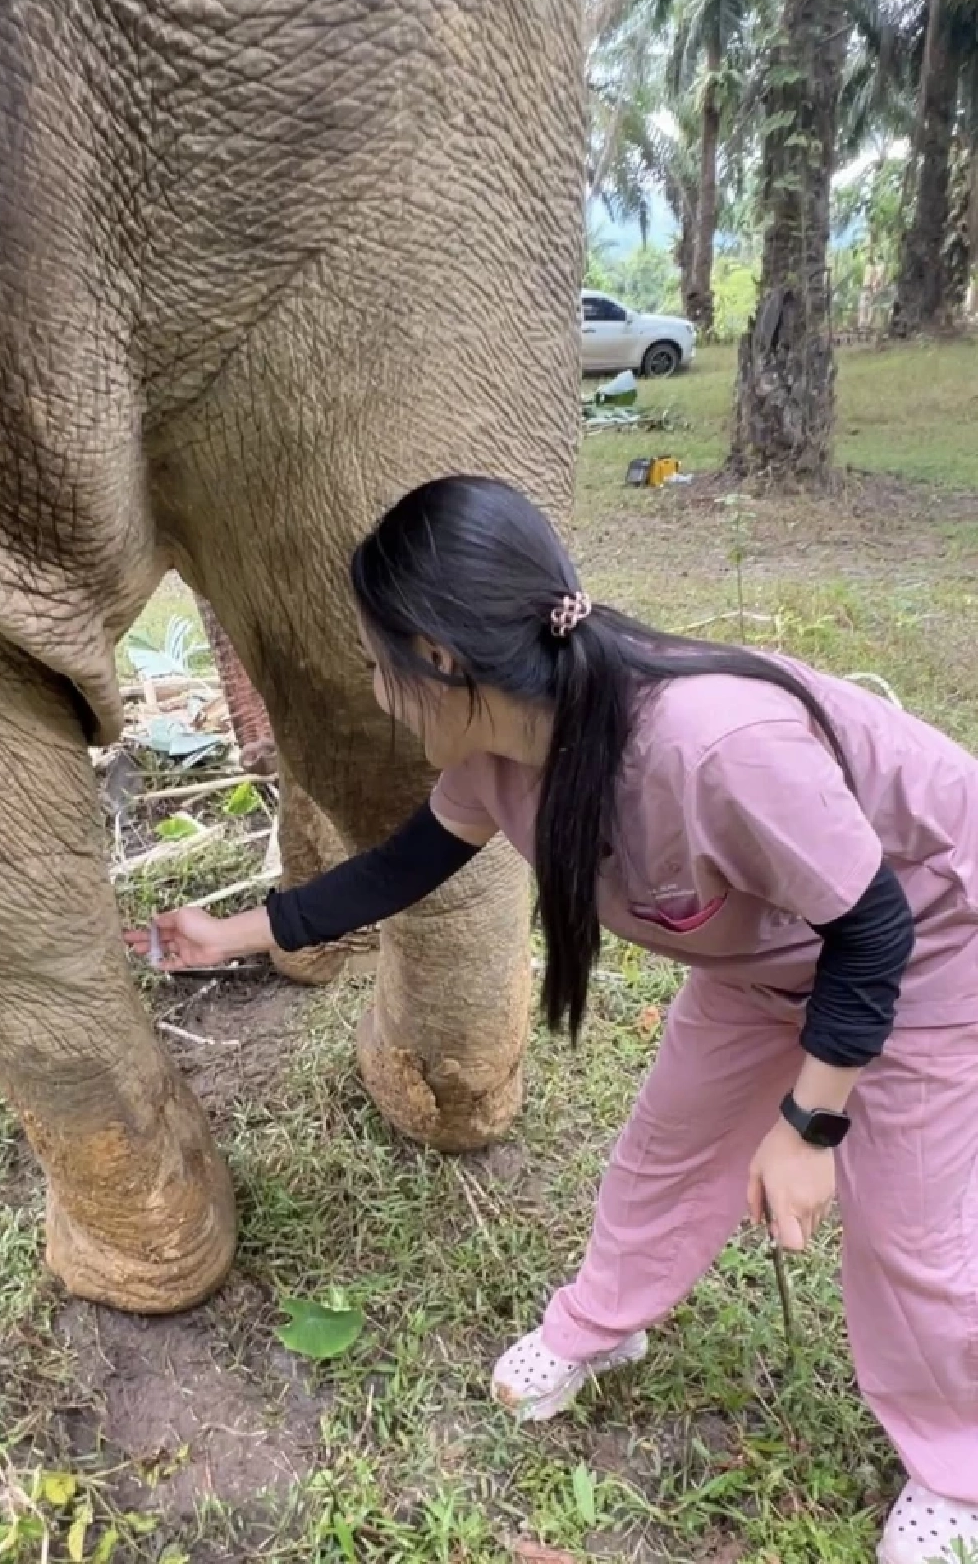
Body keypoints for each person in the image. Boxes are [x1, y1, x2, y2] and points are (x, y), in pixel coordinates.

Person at [125, 476, 978, 1564]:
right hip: (765, 958)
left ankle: (958, 1469)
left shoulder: (712, 747)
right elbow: (399, 869)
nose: (380, 693)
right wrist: (231, 933)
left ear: (438, 656)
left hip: (935, 949)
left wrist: (810, 1129)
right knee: (662, 1152)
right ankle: (601, 1323)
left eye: (379, 663)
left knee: (913, 1237)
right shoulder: (502, 757)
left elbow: (876, 930)